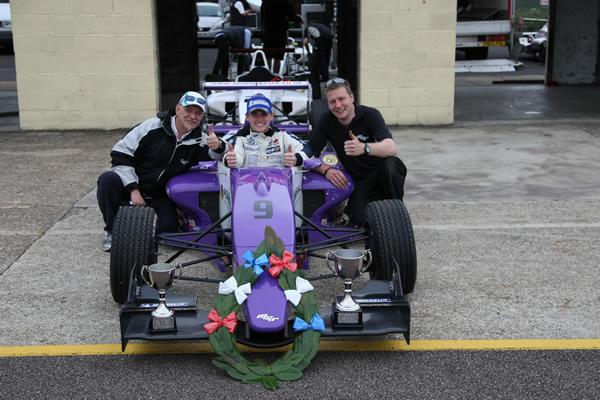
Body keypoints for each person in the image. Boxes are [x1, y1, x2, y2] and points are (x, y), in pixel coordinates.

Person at [96, 91, 227, 252]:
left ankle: (139, 223)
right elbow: (120, 154)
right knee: (107, 179)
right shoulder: (151, 127)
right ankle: (112, 230)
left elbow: (219, 155)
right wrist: (133, 189)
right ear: (178, 109)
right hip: (131, 185)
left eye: (198, 113)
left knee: (169, 234)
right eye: (188, 110)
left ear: (202, 117)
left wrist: (219, 145)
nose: (193, 116)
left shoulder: (200, 139)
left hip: (159, 195)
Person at [307, 78, 407, 225]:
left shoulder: (370, 115)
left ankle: (397, 214)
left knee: (391, 167)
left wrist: (364, 148)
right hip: (361, 181)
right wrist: (326, 170)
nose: (338, 105)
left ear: (352, 97)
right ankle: (361, 208)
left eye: (342, 99)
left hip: (382, 172)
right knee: (360, 220)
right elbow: (310, 154)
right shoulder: (327, 120)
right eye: (332, 101)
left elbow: (391, 148)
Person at [224, 93, 309, 168]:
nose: (260, 119)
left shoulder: (283, 137)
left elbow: (308, 151)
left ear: (271, 115)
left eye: (264, 114)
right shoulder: (240, 139)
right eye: (254, 114)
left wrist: (296, 159)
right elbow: (230, 155)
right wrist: (231, 160)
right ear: (247, 116)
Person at [260, 0, 303, 74]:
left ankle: (268, 76)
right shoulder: (285, 2)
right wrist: (300, 19)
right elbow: (292, 17)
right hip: (280, 31)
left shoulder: (266, 1)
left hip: (268, 31)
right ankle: (275, 76)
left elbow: (262, 16)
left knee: (268, 55)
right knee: (278, 56)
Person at [303, 22, 333, 100]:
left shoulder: (307, 29)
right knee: (326, 55)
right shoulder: (318, 26)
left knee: (320, 56)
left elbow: (305, 42)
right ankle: (326, 72)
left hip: (322, 36)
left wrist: (309, 53)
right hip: (329, 34)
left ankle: (324, 75)